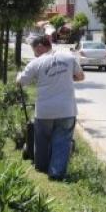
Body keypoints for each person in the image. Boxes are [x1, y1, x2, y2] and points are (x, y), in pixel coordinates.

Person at [16, 36, 84, 180]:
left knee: (42, 141)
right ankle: (56, 173)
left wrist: (18, 76)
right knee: (62, 142)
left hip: (44, 111)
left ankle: (42, 168)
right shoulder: (68, 57)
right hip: (66, 110)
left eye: (34, 50)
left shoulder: (36, 62)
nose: (34, 54)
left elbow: (21, 81)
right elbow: (80, 76)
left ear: (40, 46)